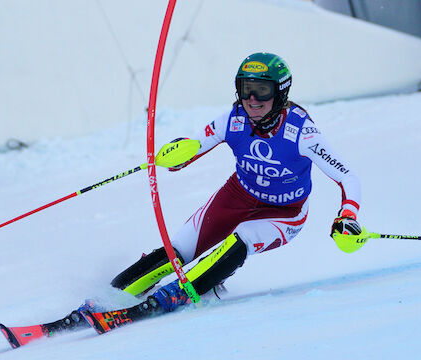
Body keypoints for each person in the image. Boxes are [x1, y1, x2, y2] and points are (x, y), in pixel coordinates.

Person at [108, 52, 364, 312]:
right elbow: (193, 148)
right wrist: (176, 156)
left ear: (280, 92)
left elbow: (347, 177)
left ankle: (182, 292)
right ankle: (112, 294)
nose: (252, 99)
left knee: (243, 238)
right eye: (246, 88)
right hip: (237, 196)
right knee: (179, 249)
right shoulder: (233, 120)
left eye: (262, 90)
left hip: (285, 212)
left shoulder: (303, 133)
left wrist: (347, 215)